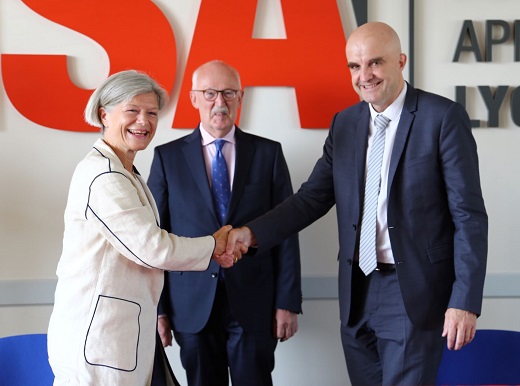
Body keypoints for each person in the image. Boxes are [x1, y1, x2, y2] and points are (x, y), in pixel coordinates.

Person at [226, 22, 488, 385]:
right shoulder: (345, 124)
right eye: (354, 66)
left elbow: (468, 215)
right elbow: (310, 198)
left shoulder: (441, 118)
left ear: (401, 61)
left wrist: (464, 300)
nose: (364, 76)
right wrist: (250, 234)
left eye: (375, 63)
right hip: (357, 290)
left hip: (413, 292)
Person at [47, 70, 241, 386]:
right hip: (99, 341)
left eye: (151, 113)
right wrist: (214, 245)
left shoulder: (127, 173)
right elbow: (154, 248)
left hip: (120, 335)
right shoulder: (103, 176)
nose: (144, 122)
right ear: (104, 114)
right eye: (133, 111)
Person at [147, 60, 302, 386]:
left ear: (240, 96)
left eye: (229, 93)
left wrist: (287, 303)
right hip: (191, 306)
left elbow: (286, 231)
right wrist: (159, 310)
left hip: (254, 302)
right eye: (210, 93)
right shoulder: (167, 158)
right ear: (193, 98)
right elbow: (155, 239)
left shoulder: (268, 154)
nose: (220, 102)